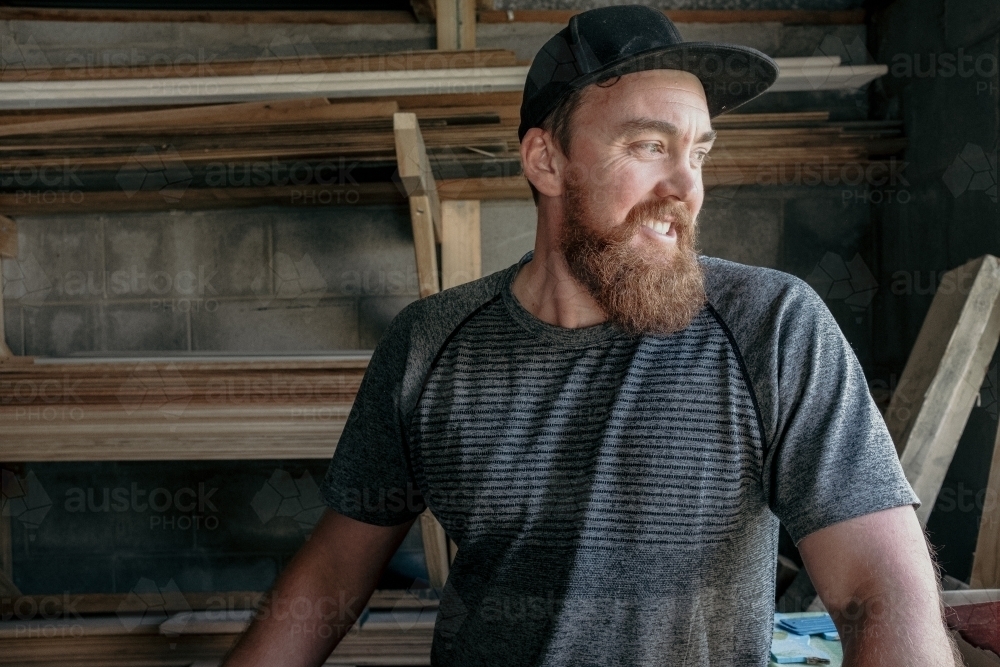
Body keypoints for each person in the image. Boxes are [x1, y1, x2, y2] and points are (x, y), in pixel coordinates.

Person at [224, 6, 958, 666]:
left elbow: (879, 589)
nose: (686, 186)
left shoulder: (771, 328)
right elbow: (330, 576)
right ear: (547, 160)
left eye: (698, 151)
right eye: (649, 145)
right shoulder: (431, 345)